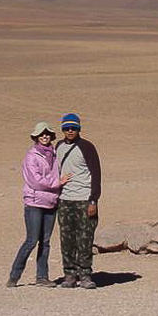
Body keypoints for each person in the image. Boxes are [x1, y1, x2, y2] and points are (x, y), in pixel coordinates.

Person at [7, 121, 72, 288]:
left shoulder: (54, 154)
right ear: (36, 137)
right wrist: (58, 182)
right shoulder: (32, 156)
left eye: (47, 134)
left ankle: (42, 277)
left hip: (51, 202)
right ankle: (14, 276)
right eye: (41, 134)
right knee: (32, 240)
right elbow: (35, 181)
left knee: (46, 241)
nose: (44, 136)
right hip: (35, 202)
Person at [55, 112, 101, 289]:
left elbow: (96, 175)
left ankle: (85, 274)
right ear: (62, 129)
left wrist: (93, 200)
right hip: (65, 200)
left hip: (83, 199)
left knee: (85, 239)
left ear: (79, 129)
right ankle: (69, 274)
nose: (70, 131)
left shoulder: (87, 147)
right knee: (67, 239)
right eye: (67, 128)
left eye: (73, 128)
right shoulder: (58, 146)